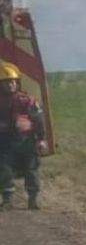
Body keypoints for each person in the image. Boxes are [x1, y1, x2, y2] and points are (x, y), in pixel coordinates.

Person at [0, 62, 49, 210]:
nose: (11, 85)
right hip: (4, 142)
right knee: (4, 170)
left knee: (31, 170)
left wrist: (41, 139)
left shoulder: (28, 100)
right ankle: (7, 201)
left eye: (14, 81)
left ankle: (32, 200)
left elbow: (39, 121)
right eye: (7, 82)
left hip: (26, 141)